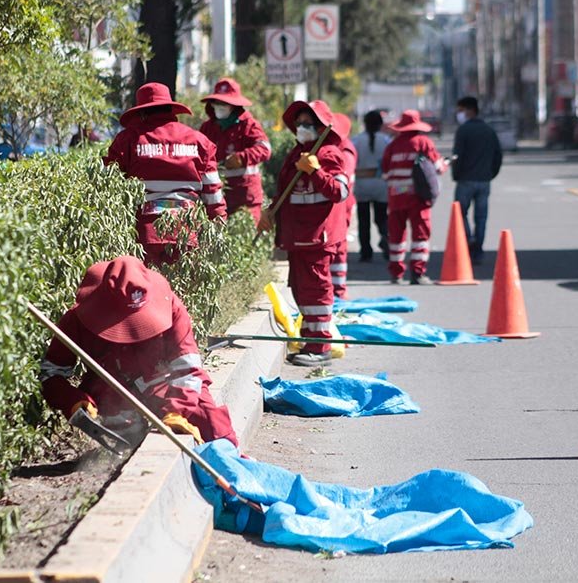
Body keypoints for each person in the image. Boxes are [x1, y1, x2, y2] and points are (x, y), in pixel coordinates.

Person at [39, 256, 238, 446]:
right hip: (111, 392)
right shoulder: (78, 318)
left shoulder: (171, 306)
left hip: (164, 385)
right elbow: (50, 373)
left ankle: (230, 460)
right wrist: (72, 400)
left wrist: (177, 410)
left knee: (210, 421)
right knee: (124, 428)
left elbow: (188, 369)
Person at [258, 100, 349, 367]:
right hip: (297, 237)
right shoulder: (296, 154)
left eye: (308, 124)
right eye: (299, 124)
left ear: (321, 127)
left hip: (316, 237)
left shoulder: (330, 153)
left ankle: (320, 345)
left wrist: (317, 171)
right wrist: (270, 212)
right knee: (301, 290)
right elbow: (285, 191)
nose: (302, 128)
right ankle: (311, 341)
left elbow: (340, 192)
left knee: (316, 290)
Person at [104, 83, 226, 265]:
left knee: (149, 290)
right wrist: (218, 226)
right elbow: (213, 194)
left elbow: (107, 186)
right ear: (171, 109)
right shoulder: (200, 142)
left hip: (144, 235)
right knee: (182, 291)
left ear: (142, 113)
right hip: (187, 233)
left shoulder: (128, 140)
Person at [381, 110, 445, 285]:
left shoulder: (391, 146)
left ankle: (396, 273)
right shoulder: (424, 143)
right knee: (420, 235)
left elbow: (385, 172)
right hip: (417, 197)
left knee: (396, 236)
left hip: (396, 197)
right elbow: (438, 167)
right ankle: (417, 273)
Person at [198, 78, 271, 224]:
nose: (220, 107)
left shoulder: (248, 125)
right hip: (216, 198)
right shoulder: (208, 128)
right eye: (217, 103)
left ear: (234, 105)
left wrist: (241, 158)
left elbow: (264, 149)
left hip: (245, 199)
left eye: (224, 103)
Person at [452, 96, 502, 263]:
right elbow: (498, 156)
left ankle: (469, 240)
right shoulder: (489, 130)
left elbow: (457, 156)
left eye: (460, 110)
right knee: (481, 217)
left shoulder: (463, 131)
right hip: (484, 181)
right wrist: (490, 174)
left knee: (460, 213)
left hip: (465, 180)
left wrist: (456, 174)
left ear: (470, 110)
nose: (458, 114)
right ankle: (478, 250)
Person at [352, 110, 391, 262]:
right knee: (382, 218)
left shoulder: (356, 140)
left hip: (362, 184)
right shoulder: (386, 140)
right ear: (380, 124)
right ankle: (387, 240)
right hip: (381, 184)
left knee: (364, 220)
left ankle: (366, 251)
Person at [329, 112, 356, 300]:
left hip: (341, 205)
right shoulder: (336, 148)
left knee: (338, 246)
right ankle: (334, 288)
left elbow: (340, 182)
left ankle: (338, 290)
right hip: (335, 204)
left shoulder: (345, 151)